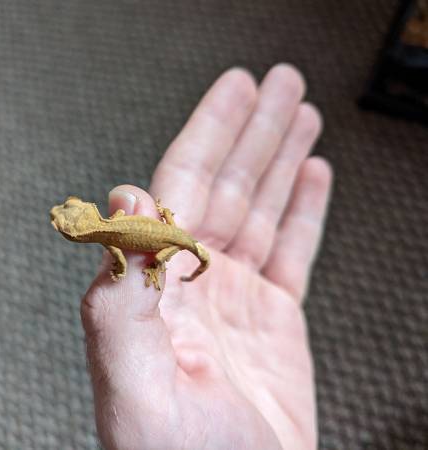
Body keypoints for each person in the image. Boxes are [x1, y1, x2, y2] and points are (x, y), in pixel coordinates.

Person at [80, 63, 333, 450]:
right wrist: (162, 223)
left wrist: (152, 265)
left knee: (159, 257)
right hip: (166, 231)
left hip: (168, 241)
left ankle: (171, 258)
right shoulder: (110, 225)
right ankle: (171, 243)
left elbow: (118, 261)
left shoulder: (112, 239)